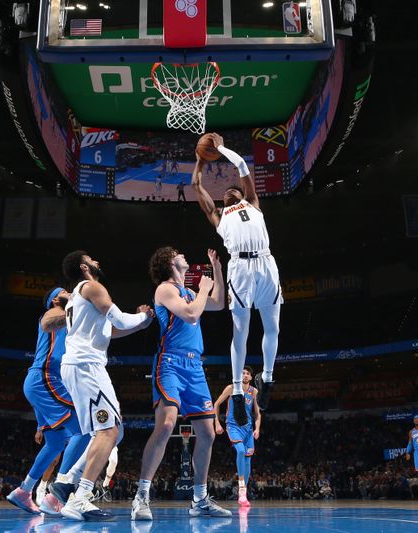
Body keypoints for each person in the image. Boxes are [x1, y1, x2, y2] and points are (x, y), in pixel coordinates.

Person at [131, 246, 230, 521]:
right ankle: (141, 496)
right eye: (178, 253)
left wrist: (217, 271)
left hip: (194, 367)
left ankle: (200, 499)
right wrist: (202, 290)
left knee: (208, 434)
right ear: (169, 262)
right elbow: (190, 314)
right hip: (171, 363)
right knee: (165, 424)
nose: (184, 255)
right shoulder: (165, 289)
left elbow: (219, 302)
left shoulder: (188, 292)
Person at [191, 133, 282, 424]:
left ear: (243, 196)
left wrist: (219, 148)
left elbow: (242, 165)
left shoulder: (253, 202)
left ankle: (267, 378)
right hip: (240, 269)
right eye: (227, 191)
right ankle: (239, 393)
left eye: (235, 190)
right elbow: (196, 186)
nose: (231, 191)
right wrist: (200, 161)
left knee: (272, 327)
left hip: (266, 262)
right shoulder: (218, 216)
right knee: (240, 331)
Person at [59, 250, 154, 521]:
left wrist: (141, 323)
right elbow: (122, 320)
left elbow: (110, 331)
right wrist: (143, 315)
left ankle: (69, 481)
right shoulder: (93, 286)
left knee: (114, 430)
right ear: (83, 266)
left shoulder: (78, 297)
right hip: (87, 367)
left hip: (79, 367)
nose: (97, 261)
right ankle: (80, 496)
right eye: (92, 259)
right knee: (109, 432)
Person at [7, 287, 91, 515]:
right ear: (55, 299)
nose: (70, 292)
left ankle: (24, 491)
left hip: (42, 383)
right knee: (84, 430)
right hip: (46, 378)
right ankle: (57, 494)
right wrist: (78, 305)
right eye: (65, 291)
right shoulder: (52, 313)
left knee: (55, 444)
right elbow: (47, 322)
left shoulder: (70, 319)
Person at [212, 366, 261, 507]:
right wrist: (217, 423)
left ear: (251, 377)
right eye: (242, 373)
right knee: (240, 451)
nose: (245, 375)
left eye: (247, 373)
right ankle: (240, 487)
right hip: (233, 426)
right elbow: (216, 404)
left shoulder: (254, 392)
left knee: (247, 460)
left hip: (248, 429)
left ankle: (243, 494)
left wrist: (257, 429)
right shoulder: (231, 388)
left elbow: (257, 414)